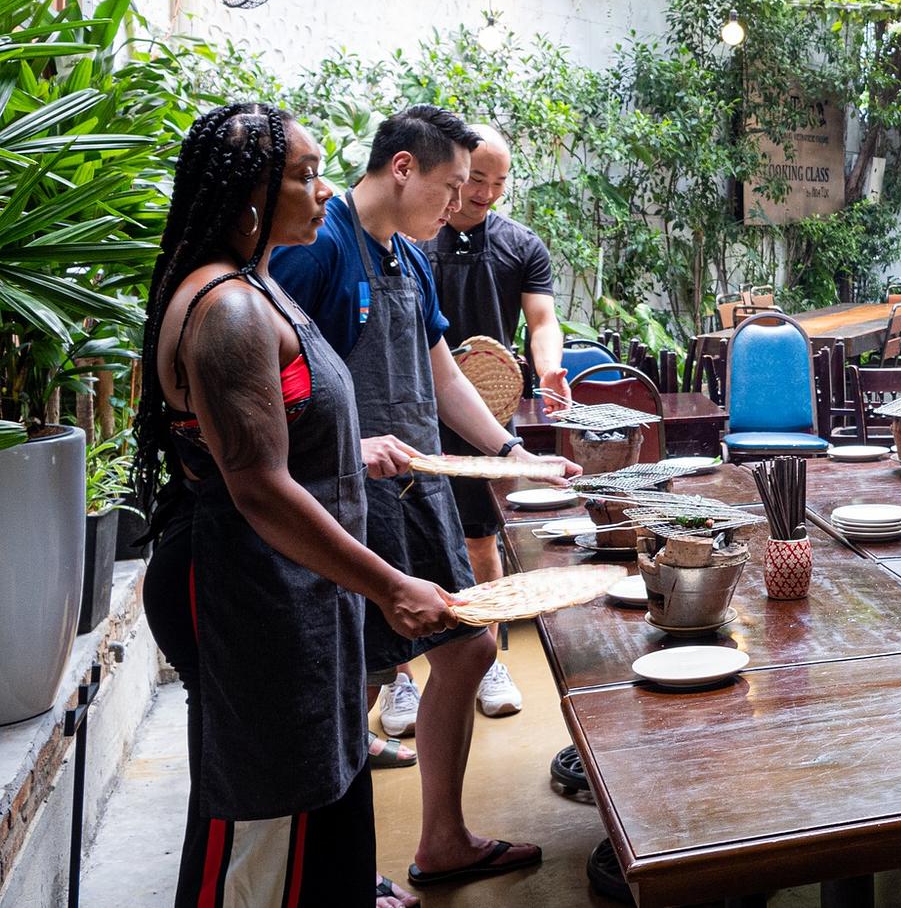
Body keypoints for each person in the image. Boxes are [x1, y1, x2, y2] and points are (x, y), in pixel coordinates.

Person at [136, 104, 457, 908]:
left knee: (321, 777)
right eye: (303, 175)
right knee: (264, 809)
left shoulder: (257, 281)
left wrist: (348, 450)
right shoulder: (230, 310)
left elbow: (260, 437)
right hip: (245, 586)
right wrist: (389, 583)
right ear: (248, 192)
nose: (324, 192)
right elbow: (257, 485)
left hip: (294, 584)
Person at [270, 105, 575, 890]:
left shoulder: (409, 254)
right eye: (451, 187)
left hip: (421, 489)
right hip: (348, 503)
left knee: (468, 645)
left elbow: (442, 376)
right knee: (357, 677)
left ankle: (440, 839)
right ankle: (343, 877)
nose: (461, 204)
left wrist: (511, 453)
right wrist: (346, 450)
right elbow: (275, 391)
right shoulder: (321, 249)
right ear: (403, 168)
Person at [419, 125, 568, 721]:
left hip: (483, 415)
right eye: (476, 179)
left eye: (499, 182)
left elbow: (541, 321)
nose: (485, 193)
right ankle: (402, 677)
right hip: (411, 409)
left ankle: (490, 659)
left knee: (481, 537)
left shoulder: (521, 245)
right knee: (401, 541)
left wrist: (550, 368)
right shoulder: (413, 240)